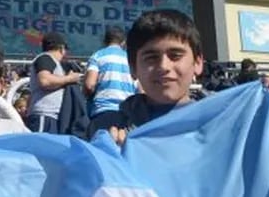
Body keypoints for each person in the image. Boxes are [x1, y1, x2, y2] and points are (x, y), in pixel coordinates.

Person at [88, 10, 206, 144]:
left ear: (197, 63)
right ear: (133, 68)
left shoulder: (224, 124)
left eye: (175, 56)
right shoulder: (104, 131)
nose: (164, 66)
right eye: (151, 58)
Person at [26, 32, 81, 133]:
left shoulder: (53, 62)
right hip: (44, 114)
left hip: (51, 116)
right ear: (61, 49)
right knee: (40, 147)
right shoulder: (45, 58)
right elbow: (45, 80)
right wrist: (69, 78)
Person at [83, 26, 134, 118]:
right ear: (123, 42)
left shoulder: (97, 56)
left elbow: (89, 85)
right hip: (128, 112)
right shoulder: (130, 59)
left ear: (105, 41)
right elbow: (140, 89)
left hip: (103, 110)